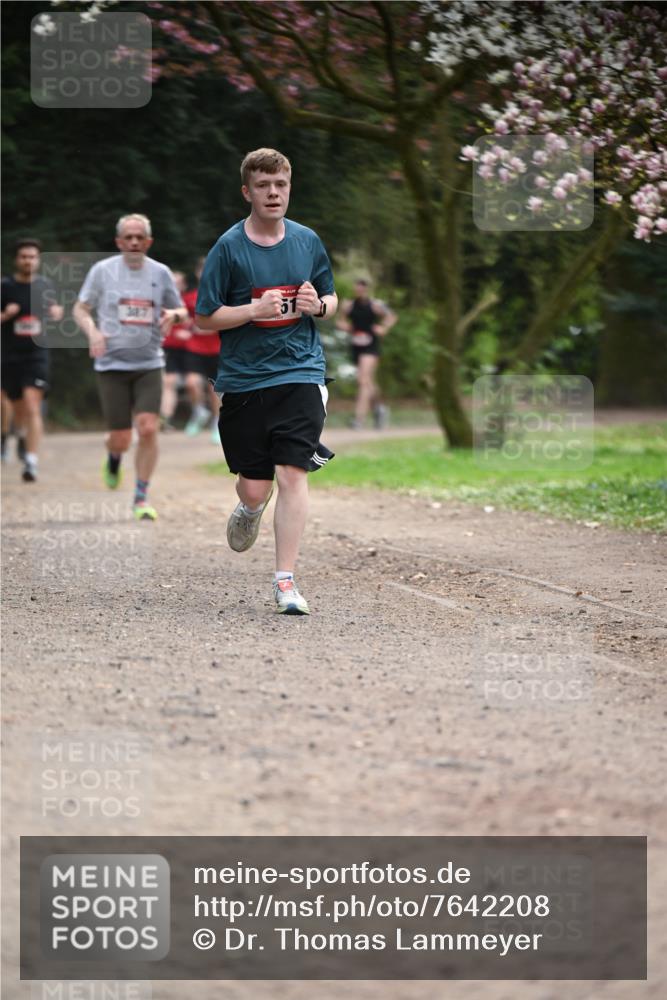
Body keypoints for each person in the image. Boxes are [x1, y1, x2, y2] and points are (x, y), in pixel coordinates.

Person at [196, 147, 337, 616]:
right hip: (244, 379)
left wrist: (319, 307)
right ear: (247, 192)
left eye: (280, 185)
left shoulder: (308, 241)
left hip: (301, 371)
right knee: (255, 486)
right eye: (263, 185)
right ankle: (250, 508)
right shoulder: (228, 248)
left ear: (289, 188)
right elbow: (206, 319)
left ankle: (286, 582)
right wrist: (250, 312)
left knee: (293, 472)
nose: (273, 193)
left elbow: (329, 298)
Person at [72, 214, 187, 520]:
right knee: (121, 438)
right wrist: (93, 332)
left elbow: (182, 309)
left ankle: (141, 497)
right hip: (111, 364)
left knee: (148, 427)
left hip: (149, 362)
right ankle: (113, 457)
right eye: (128, 237)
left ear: (148, 242)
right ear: (119, 241)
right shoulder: (102, 271)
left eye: (140, 237)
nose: (134, 242)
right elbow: (80, 308)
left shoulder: (160, 273)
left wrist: (174, 316)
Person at [1, 238, 64, 481]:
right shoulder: (4, 287)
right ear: (16, 260)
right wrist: (6, 315)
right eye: (24, 256)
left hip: (37, 354)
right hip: (7, 354)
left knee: (31, 404)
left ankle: (31, 461)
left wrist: (57, 313)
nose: (28, 261)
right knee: (13, 408)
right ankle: (12, 435)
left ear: (38, 260)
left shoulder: (46, 286)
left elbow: (56, 311)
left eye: (33, 257)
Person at [341, 278, 397, 429]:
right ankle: (380, 409)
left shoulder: (375, 305)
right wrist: (346, 327)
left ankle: (359, 419)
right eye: (356, 289)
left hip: (371, 346)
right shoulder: (349, 305)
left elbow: (392, 317)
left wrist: (383, 328)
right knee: (368, 381)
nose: (358, 291)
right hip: (356, 346)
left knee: (363, 380)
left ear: (366, 290)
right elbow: (341, 321)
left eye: (361, 289)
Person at [182, 257, 221, 440]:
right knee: (191, 383)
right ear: (197, 273)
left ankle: (216, 423)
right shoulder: (189, 298)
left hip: (216, 349)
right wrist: (186, 328)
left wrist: (213, 325)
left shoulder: (222, 296)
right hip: (195, 348)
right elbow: (183, 319)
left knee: (214, 390)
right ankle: (199, 412)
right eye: (202, 270)